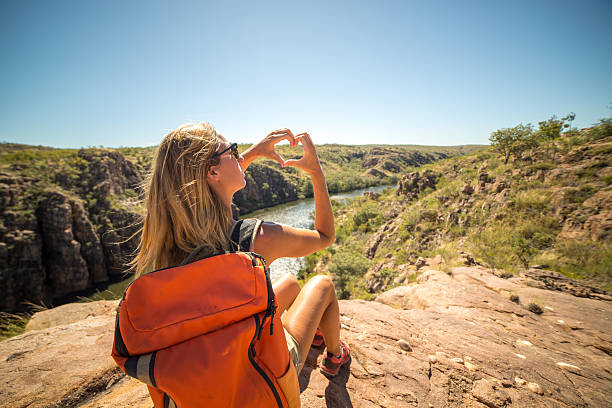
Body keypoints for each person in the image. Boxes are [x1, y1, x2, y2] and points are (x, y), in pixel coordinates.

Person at [131, 122, 350, 387]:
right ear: (213, 171)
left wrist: (254, 152)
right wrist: (316, 172)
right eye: (233, 151)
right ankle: (335, 356)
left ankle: (312, 330)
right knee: (321, 284)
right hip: (257, 376)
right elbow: (324, 236)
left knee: (291, 283)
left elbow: (207, 186)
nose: (239, 156)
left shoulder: (171, 238)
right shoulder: (258, 238)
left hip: (210, 367)